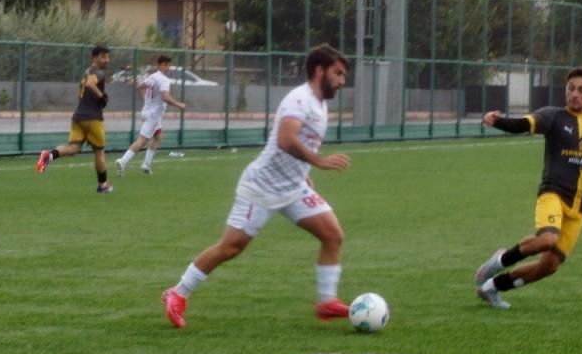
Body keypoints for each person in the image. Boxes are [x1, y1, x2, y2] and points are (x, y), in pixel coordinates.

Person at [160, 44, 353, 328]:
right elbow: (286, 140)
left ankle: (326, 302)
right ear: (319, 70)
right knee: (231, 246)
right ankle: (177, 293)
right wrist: (319, 162)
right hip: (262, 187)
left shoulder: (320, 103)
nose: (342, 80)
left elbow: (302, 142)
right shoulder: (299, 100)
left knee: (333, 236)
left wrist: (305, 172)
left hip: (294, 187)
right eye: (338, 73)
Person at [472, 67, 582, 309]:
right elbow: (525, 123)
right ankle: (498, 261)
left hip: (578, 208)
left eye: (581, 90)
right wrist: (497, 120)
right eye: (570, 89)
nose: (574, 94)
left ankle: (493, 288)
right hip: (552, 193)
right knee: (547, 240)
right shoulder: (553, 116)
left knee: (549, 266)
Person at [35, 45, 115, 193]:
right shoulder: (97, 72)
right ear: (94, 58)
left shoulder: (86, 71)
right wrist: (101, 96)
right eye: (103, 56)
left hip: (78, 116)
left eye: (108, 57)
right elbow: (91, 84)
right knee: (99, 153)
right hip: (93, 118)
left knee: (73, 148)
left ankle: (49, 155)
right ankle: (103, 185)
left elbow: (82, 93)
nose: (107, 60)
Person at [115, 55, 186, 176]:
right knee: (142, 140)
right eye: (166, 65)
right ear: (160, 65)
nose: (168, 67)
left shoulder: (152, 77)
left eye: (169, 65)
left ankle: (146, 164)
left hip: (148, 111)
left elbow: (141, 87)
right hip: (153, 115)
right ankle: (123, 161)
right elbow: (165, 97)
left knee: (158, 136)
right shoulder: (163, 80)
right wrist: (179, 105)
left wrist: (146, 100)